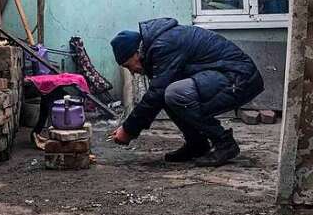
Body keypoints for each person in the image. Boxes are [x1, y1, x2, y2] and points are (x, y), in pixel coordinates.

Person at [108, 17, 264, 167]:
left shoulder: (164, 45)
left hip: (238, 78)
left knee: (173, 93)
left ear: (136, 53)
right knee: (169, 94)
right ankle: (197, 144)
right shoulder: (158, 45)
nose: (133, 72)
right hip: (228, 76)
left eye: (129, 66)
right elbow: (158, 94)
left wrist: (128, 130)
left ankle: (224, 143)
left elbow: (156, 94)